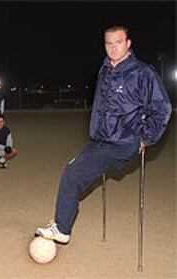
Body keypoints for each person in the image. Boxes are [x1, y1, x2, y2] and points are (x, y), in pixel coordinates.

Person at [35, 25, 172, 244]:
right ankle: (62, 225)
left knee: (72, 174)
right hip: (101, 139)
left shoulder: (143, 73)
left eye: (118, 42)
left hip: (123, 141)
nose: (113, 48)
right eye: (109, 43)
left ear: (128, 44)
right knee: (73, 172)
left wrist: (146, 138)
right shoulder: (105, 70)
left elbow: (162, 108)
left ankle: (62, 229)